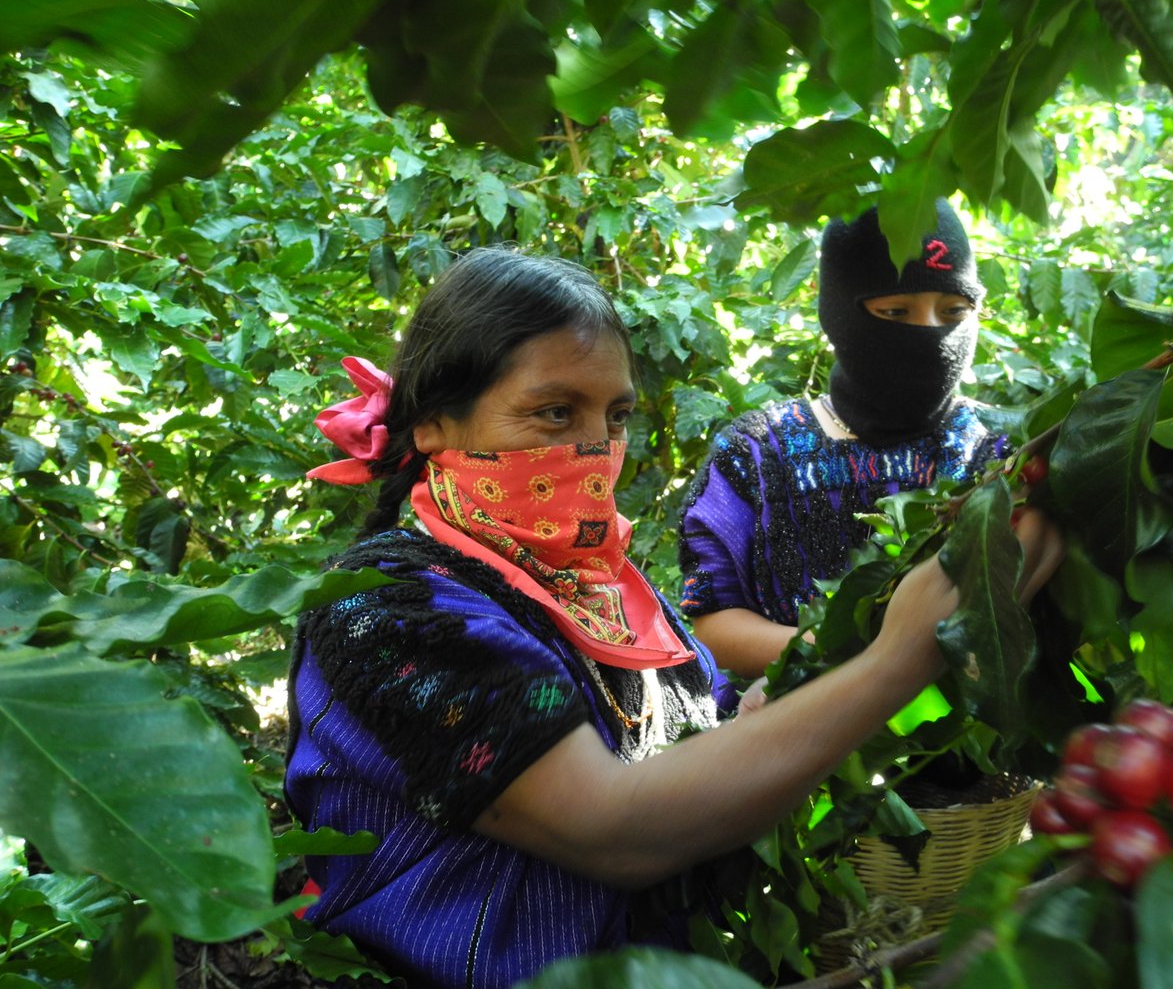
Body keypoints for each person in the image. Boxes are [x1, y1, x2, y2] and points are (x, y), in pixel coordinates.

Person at [285, 247, 1056, 989]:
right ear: (433, 427)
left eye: (615, 417)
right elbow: (613, 828)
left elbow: (709, 745)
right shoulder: (384, 607)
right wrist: (900, 657)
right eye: (553, 413)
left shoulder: (609, 594)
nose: (594, 449)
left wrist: (800, 682)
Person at [678, 201, 1058, 679]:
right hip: (787, 737)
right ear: (838, 313)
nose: (930, 334)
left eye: (954, 311)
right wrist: (860, 652)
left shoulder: (1009, 452)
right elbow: (711, 620)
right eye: (896, 311)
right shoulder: (754, 454)